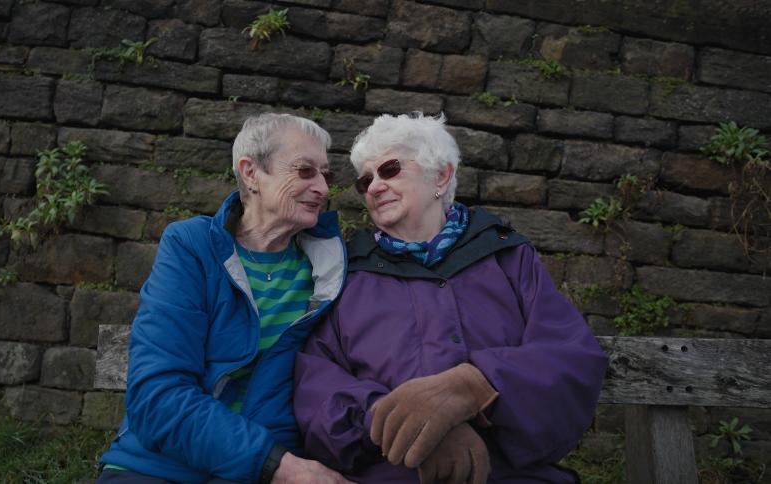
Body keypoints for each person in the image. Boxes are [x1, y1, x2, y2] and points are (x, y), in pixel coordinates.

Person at [293, 113, 609, 483]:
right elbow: (316, 383)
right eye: (366, 180)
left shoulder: (506, 256)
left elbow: (569, 356)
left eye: (390, 169)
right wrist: (401, 423)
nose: (375, 186)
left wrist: (475, 386)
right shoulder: (347, 274)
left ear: (441, 176)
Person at [98, 113, 353, 483]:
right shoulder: (192, 247)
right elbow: (156, 397)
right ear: (250, 173)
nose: (323, 189)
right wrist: (279, 466)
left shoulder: (331, 267)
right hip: (164, 465)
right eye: (304, 171)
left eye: (326, 175)